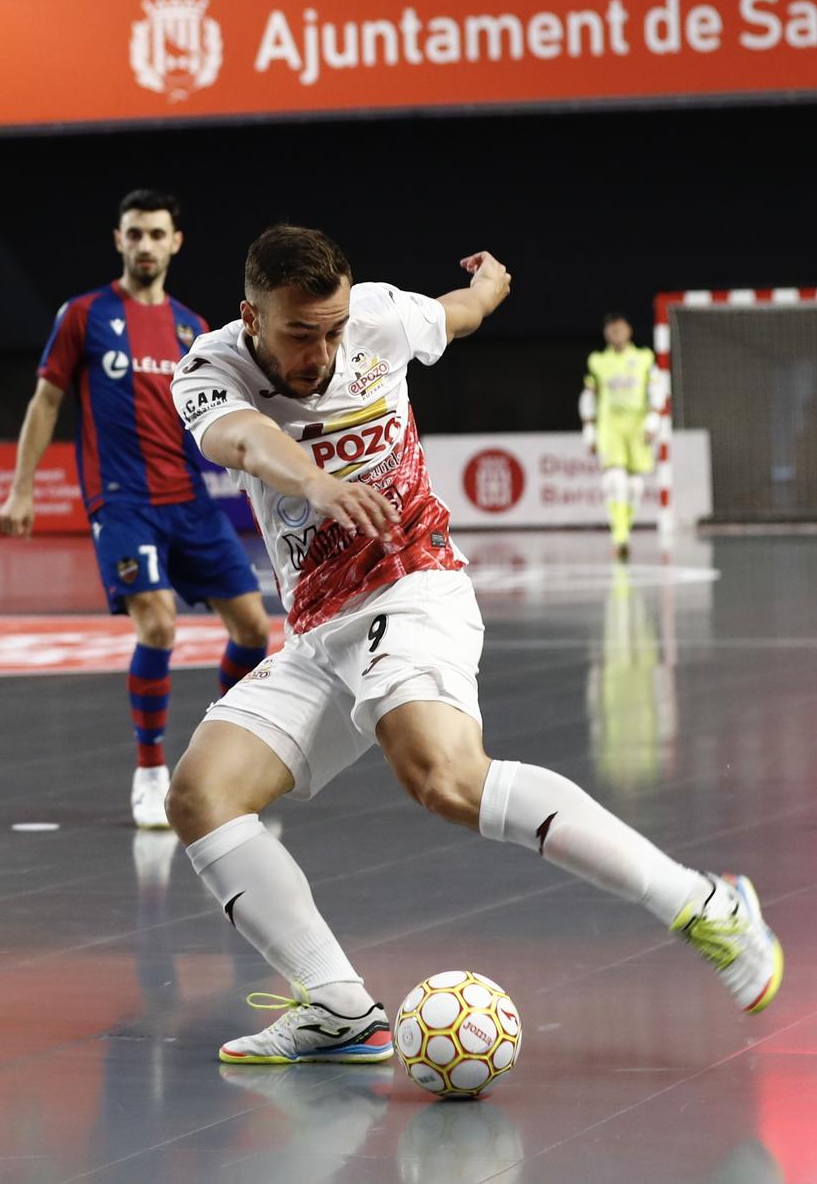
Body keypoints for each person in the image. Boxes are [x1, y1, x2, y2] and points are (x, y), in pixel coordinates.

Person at [163, 225, 783, 1065]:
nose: (323, 350)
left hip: (416, 585)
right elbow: (242, 439)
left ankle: (707, 902)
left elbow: (453, 316)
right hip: (319, 629)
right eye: (300, 333)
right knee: (202, 794)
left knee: (444, 776)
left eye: (334, 328)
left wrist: (490, 286)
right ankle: (340, 1008)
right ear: (252, 317)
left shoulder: (377, 317)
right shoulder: (209, 367)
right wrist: (313, 480)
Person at [0, 189, 272, 830]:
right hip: (120, 502)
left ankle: (219, 762)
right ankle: (150, 773)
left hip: (190, 503)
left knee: (255, 632)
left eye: (156, 234)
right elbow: (45, 402)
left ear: (175, 242)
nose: (145, 244)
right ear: (119, 241)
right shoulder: (83, 315)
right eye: (134, 234)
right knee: (158, 625)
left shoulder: (193, 328)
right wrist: (22, 487)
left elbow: (219, 413)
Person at [581, 312, 658, 559]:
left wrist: (653, 422)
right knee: (615, 481)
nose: (615, 332)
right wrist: (590, 431)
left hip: (637, 427)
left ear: (629, 330)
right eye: (610, 329)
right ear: (605, 334)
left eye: (619, 327)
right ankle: (620, 536)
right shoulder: (597, 361)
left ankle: (624, 529)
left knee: (635, 486)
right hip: (609, 426)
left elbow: (655, 390)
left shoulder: (645, 358)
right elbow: (589, 396)